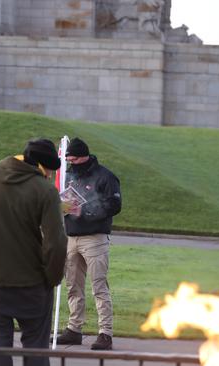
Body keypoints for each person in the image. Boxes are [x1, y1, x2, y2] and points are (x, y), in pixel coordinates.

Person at [0, 139, 68, 366]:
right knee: (36, 351)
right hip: (32, 285)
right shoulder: (45, 190)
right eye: (49, 170)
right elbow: (56, 243)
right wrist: (52, 279)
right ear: (41, 166)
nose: (50, 175)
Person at [53, 137, 121, 351]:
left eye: (73, 159)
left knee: (99, 286)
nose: (70, 164)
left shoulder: (105, 176)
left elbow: (114, 205)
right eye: (68, 160)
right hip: (71, 236)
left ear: (83, 156)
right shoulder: (69, 175)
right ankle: (74, 329)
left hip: (95, 238)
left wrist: (87, 212)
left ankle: (105, 333)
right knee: (73, 285)